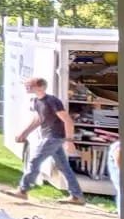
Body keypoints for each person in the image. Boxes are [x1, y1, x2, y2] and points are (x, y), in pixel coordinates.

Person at [13, 76, 85, 204]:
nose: (26, 87)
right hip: (49, 136)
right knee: (64, 167)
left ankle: (23, 190)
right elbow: (38, 120)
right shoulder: (36, 101)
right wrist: (24, 133)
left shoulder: (52, 101)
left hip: (54, 137)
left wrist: (69, 141)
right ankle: (77, 196)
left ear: (40, 87)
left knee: (34, 160)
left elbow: (67, 120)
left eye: (30, 85)